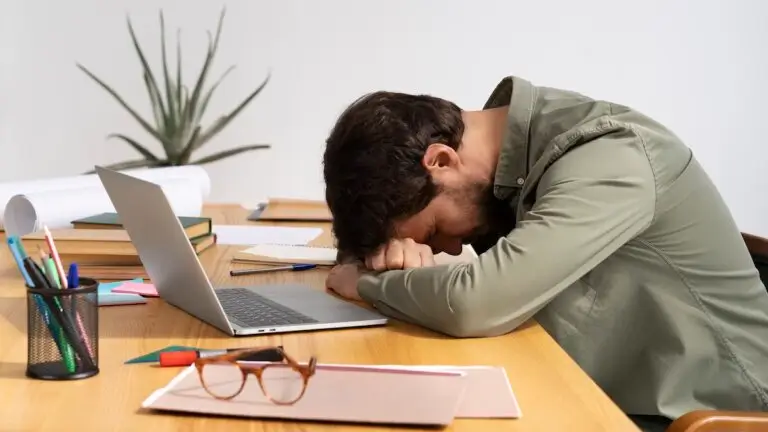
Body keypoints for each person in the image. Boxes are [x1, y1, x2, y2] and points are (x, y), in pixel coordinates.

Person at [321, 75, 768, 430]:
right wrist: (389, 255)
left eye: (436, 230)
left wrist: (367, 283)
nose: (451, 248)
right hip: (611, 393)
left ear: (441, 160)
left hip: (710, 415)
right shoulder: (511, 175)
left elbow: (479, 301)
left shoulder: (612, 157)